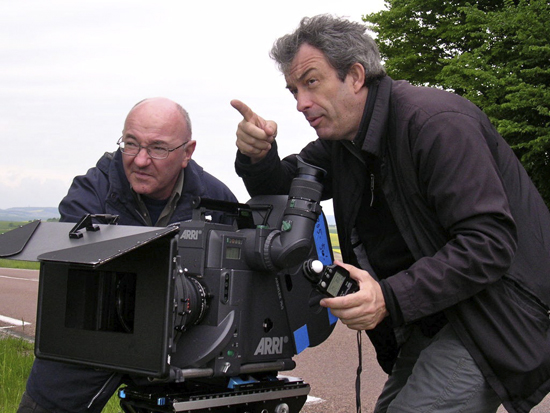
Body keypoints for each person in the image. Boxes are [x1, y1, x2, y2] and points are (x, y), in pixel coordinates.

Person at [231, 14, 550, 413]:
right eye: (294, 90)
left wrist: (387, 297)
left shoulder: (436, 124)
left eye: (311, 82)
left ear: (356, 75)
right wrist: (257, 156)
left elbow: (489, 244)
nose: (300, 104)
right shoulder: (341, 142)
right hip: (434, 312)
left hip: (493, 313)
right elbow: (285, 187)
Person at [18, 97, 238, 412]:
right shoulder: (91, 191)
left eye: (158, 148)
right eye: (131, 144)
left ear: (187, 153)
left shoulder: (217, 201)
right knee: (53, 396)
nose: (140, 160)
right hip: (97, 332)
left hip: (180, 340)